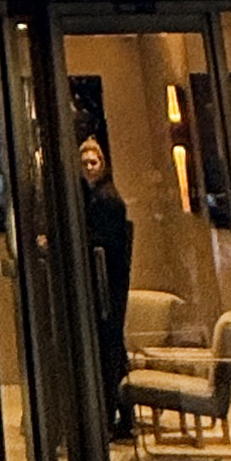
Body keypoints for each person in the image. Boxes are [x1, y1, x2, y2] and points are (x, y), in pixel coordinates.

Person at [77, 134, 134, 439]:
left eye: (93, 162)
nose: (89, 167)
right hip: (106, 287)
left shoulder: (107, 199)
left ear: (102, 164)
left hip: (108, 288)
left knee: (110, 351)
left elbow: (105, 241)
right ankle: (122, 415)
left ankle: (116, 414)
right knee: (113, 350)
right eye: (85, 162)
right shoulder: (93, 196)